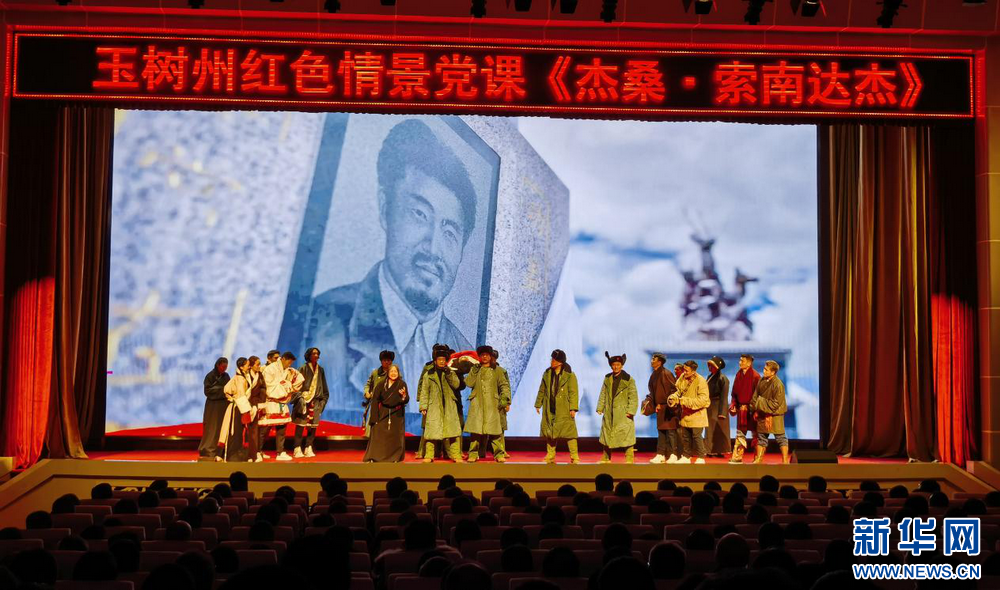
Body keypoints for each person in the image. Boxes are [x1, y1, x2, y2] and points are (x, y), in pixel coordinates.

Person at [305, 119, 478, 418]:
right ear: (386, 209)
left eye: (450, 232)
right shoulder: (320, 323)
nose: (433, 248)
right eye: (419, 214)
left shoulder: (466, 351)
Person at [465, 346, 511, 463]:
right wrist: (474, 370)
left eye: (487, 355)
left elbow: (504, 385)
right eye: (482, 355)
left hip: (492, 404)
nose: (484, 357)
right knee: (475, 431)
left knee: (495, 431)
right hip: (477, 403)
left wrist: (505, 399)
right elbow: (469, 383)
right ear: (479, 357)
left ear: (490, 356)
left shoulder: (498, 370)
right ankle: (473, 453)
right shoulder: (476, 369)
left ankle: (499, 454)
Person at [419, 347, 464, 462]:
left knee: (453, 433)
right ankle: (429, 455)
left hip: (449, 405)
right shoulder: (429, 374)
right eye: (439, 359)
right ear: (435, 361)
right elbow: (424, 391)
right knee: (431, 432)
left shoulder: (450, 372)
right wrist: (423, 406)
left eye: (443, 359)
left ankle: (456, 455)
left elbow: (456, 384)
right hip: (434, 406)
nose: (442, 361)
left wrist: (449, 373)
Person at [535, 349, 580, 464]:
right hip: (550, 407)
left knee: (570, 433)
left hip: (564, 408)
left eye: (554, 360)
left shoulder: (569, 375)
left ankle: (574, 456)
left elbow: (573, 392)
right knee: (550, 433)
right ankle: (550, 455)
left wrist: (573, 408)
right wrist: (538, 403)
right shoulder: (547, 373)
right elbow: (542, 389)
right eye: (552, 359)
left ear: (560, 362)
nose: (552, 361)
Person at [259, 351, 302, 461]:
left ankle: (280, 452)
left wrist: (289, 386)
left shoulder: (289, 370)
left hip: (282, 403)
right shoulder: (270, 369)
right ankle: (257, 451)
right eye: (289, 362)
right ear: (283, 359)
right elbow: (268, 386)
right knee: (264, 430)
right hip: (270, 402)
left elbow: (299, 379)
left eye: (291, 363)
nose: (289, 365)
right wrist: (284, 387)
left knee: (282, 429)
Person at [597, 352, 638, 464]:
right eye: (614, 365)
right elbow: (603, 393)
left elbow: (633, 396)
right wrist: (600, 407)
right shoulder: (607, 378)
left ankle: (629, 458)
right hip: (609, 412)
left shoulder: (628, 379)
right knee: (607, 435)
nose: (616, 367)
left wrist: (631, 411)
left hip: (623, 413)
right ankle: (606, 458)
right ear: (611, 366)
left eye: (618, 365)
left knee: (626, 436)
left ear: (622, 366)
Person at [363, 364, 409, 462]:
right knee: (378, 433)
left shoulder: (402, 384)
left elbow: (406, 400)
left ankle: (395, 457)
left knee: (395, 436)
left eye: (395, 371)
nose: (393, 373)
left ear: (398, 373)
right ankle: (375, 456)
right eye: (391, 371)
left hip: (397, 413)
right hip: (383, 412)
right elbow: (375, 400)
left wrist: (404, 396)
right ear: (388, 373)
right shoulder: (381, 384)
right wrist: (374, 418)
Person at [292, 347, 329, 458]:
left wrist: (323, 402)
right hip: (304, 400)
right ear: (309, 355)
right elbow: (296, 385)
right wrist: (300, 399)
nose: (316, 355)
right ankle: (297, 448)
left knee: (313, 427)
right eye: (313, 353)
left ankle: (308, 447)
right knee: (300, 425)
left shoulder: (320, 370)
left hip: (316, 401)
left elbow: (324, 388)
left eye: (317, 353)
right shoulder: (303, 368)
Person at [670, 360, 709, 464]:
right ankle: (686, 456)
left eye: (687, 370)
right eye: (684, 369)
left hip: (697, 414)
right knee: (685, 436)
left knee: (697, 436)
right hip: (686, 414)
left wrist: (683, 401)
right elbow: (678, 391)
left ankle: (701, 457)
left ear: (693, 371)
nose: (684, 372)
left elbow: (703, 400)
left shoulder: (701, 381)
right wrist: (673, 397)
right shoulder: (682, 378)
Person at [751, 360, 788, 464]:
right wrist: (756, 410)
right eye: (764, 369)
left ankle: (785, 460)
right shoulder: (761, 380)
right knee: (761, 437)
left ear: (773, 372)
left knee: (780, 437)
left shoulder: (778, 384)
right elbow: (755, 397)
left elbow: (776, 403)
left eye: (766, 370)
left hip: (776, 414)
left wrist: (767, 412)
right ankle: (759, 459)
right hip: (762, 413)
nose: (764, 371)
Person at [645, 352, 679, 464]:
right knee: (661, 432)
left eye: (654, 359)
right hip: (660, 408)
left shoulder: (666, 373)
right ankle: (661, 454)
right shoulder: (654, 374)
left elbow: (674, 390)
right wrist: (651, 403)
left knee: (671, 432)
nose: (652, 361)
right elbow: (652, 391)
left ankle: (673, 454)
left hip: (669, 408)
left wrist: (667, 403)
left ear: (659, 362)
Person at [219, 357, 255, 462]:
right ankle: (233, 455)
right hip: (239, 407)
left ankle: (237, 455)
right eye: (247, 365)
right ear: (241, 367)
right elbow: (240, 395)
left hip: (241, 406)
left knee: (239, 432)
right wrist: (247, 410)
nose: (249, 366)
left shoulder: (243, 377)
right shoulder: (239, 379)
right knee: (235, 432)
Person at [728, 353, 760, 463]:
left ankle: (757, 457)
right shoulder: (738, 375)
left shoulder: (756, 376)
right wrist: (733, 405)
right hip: (741, 410)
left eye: (742, 361)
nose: (740, 362)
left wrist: (756, 411)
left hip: (752, 410)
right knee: (740, 433)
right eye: (740, 360)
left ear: (749, 363)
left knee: (756, 434)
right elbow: (734, 393)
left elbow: (759, 396)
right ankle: (737, 457)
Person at [199, 357, 230, 461]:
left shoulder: (226, 376)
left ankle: (219, 451)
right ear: (218, 365)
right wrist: (222, 390)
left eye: (226, 367)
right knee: (211, 428)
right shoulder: (210, 376)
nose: (224, 369)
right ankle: (207, 449)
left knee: (221, 428)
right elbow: (207, 391)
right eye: (223, 366)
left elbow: (228, 389)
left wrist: (222, 391)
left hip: (223, 406)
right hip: (212, 406)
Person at [364, 351, 397, 438]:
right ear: (381, 361)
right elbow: (368, 385)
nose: (387, 362)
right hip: (376, 403)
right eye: (385, 360)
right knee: (372, 426)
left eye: (389, 360)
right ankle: (369, 441)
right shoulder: (375, 373)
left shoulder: (395, 373)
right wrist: (367, 392)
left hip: (389, 404)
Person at [706, 356, 731, 458]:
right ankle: (710, 450)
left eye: (712, 366)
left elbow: (724, 396)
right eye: (709, 365)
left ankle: (720, 450)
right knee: (710, 429)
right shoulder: (710, 377)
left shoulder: (723, 378)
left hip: (718, 406)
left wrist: (722, 412)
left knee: (719, 429)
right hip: (710, 405)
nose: (709, 367)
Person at [247, 355, 268, 462]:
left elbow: (263, 388)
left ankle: (254, 454)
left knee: (255, 430)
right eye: (257, 364)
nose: (259, 366)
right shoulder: (246, 375)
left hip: (256, 404)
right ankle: (246, 454)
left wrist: (260, 402)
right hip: (246, 404)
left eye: (260, 364)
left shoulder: (259, 375)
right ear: (251, 365)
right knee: (246, 431)